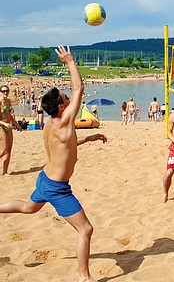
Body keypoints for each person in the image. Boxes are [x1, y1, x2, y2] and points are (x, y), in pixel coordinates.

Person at [0, 45, 107, 282]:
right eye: (66, 98)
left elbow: (63, 148)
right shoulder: (65, 120)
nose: (70, 98)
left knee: (29, 207)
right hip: (57, 187)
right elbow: (79, 87)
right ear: (61, 107)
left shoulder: (50, 124)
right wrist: (70, 61)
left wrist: (87, 138)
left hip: (45, 177)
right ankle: (84, 278)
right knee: (86, 230)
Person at [0, 85, 22, 175]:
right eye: (3, 91)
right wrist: (4, 123)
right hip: (1, 126)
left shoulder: (8, 101)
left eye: (7, 91)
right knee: (4, 149)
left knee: (9, 149)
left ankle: (5, 171)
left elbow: (9, 115)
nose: (5, 93)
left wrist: (17, 124)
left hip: (8, 125)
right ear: (0, 92)